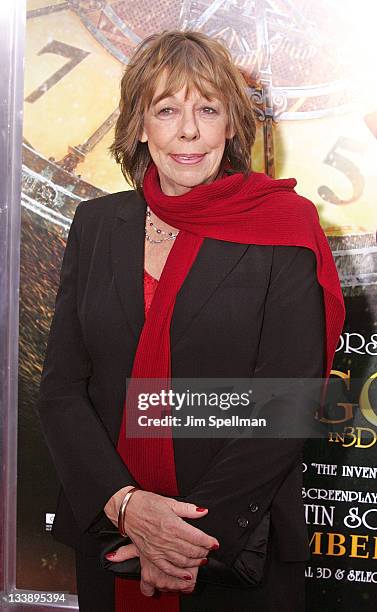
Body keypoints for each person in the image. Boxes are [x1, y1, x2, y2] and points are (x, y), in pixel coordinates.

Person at [37, 29, 345, 612]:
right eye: (167, 109)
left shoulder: (285, 226)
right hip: (113, 537)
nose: (188, 130)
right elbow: (61, 390)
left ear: (231, 125)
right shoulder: (98, 225)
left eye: (208, 108)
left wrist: (182, 541)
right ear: (138, 124)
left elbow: (288, 399)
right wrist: (127, 506)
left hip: (235, 551)